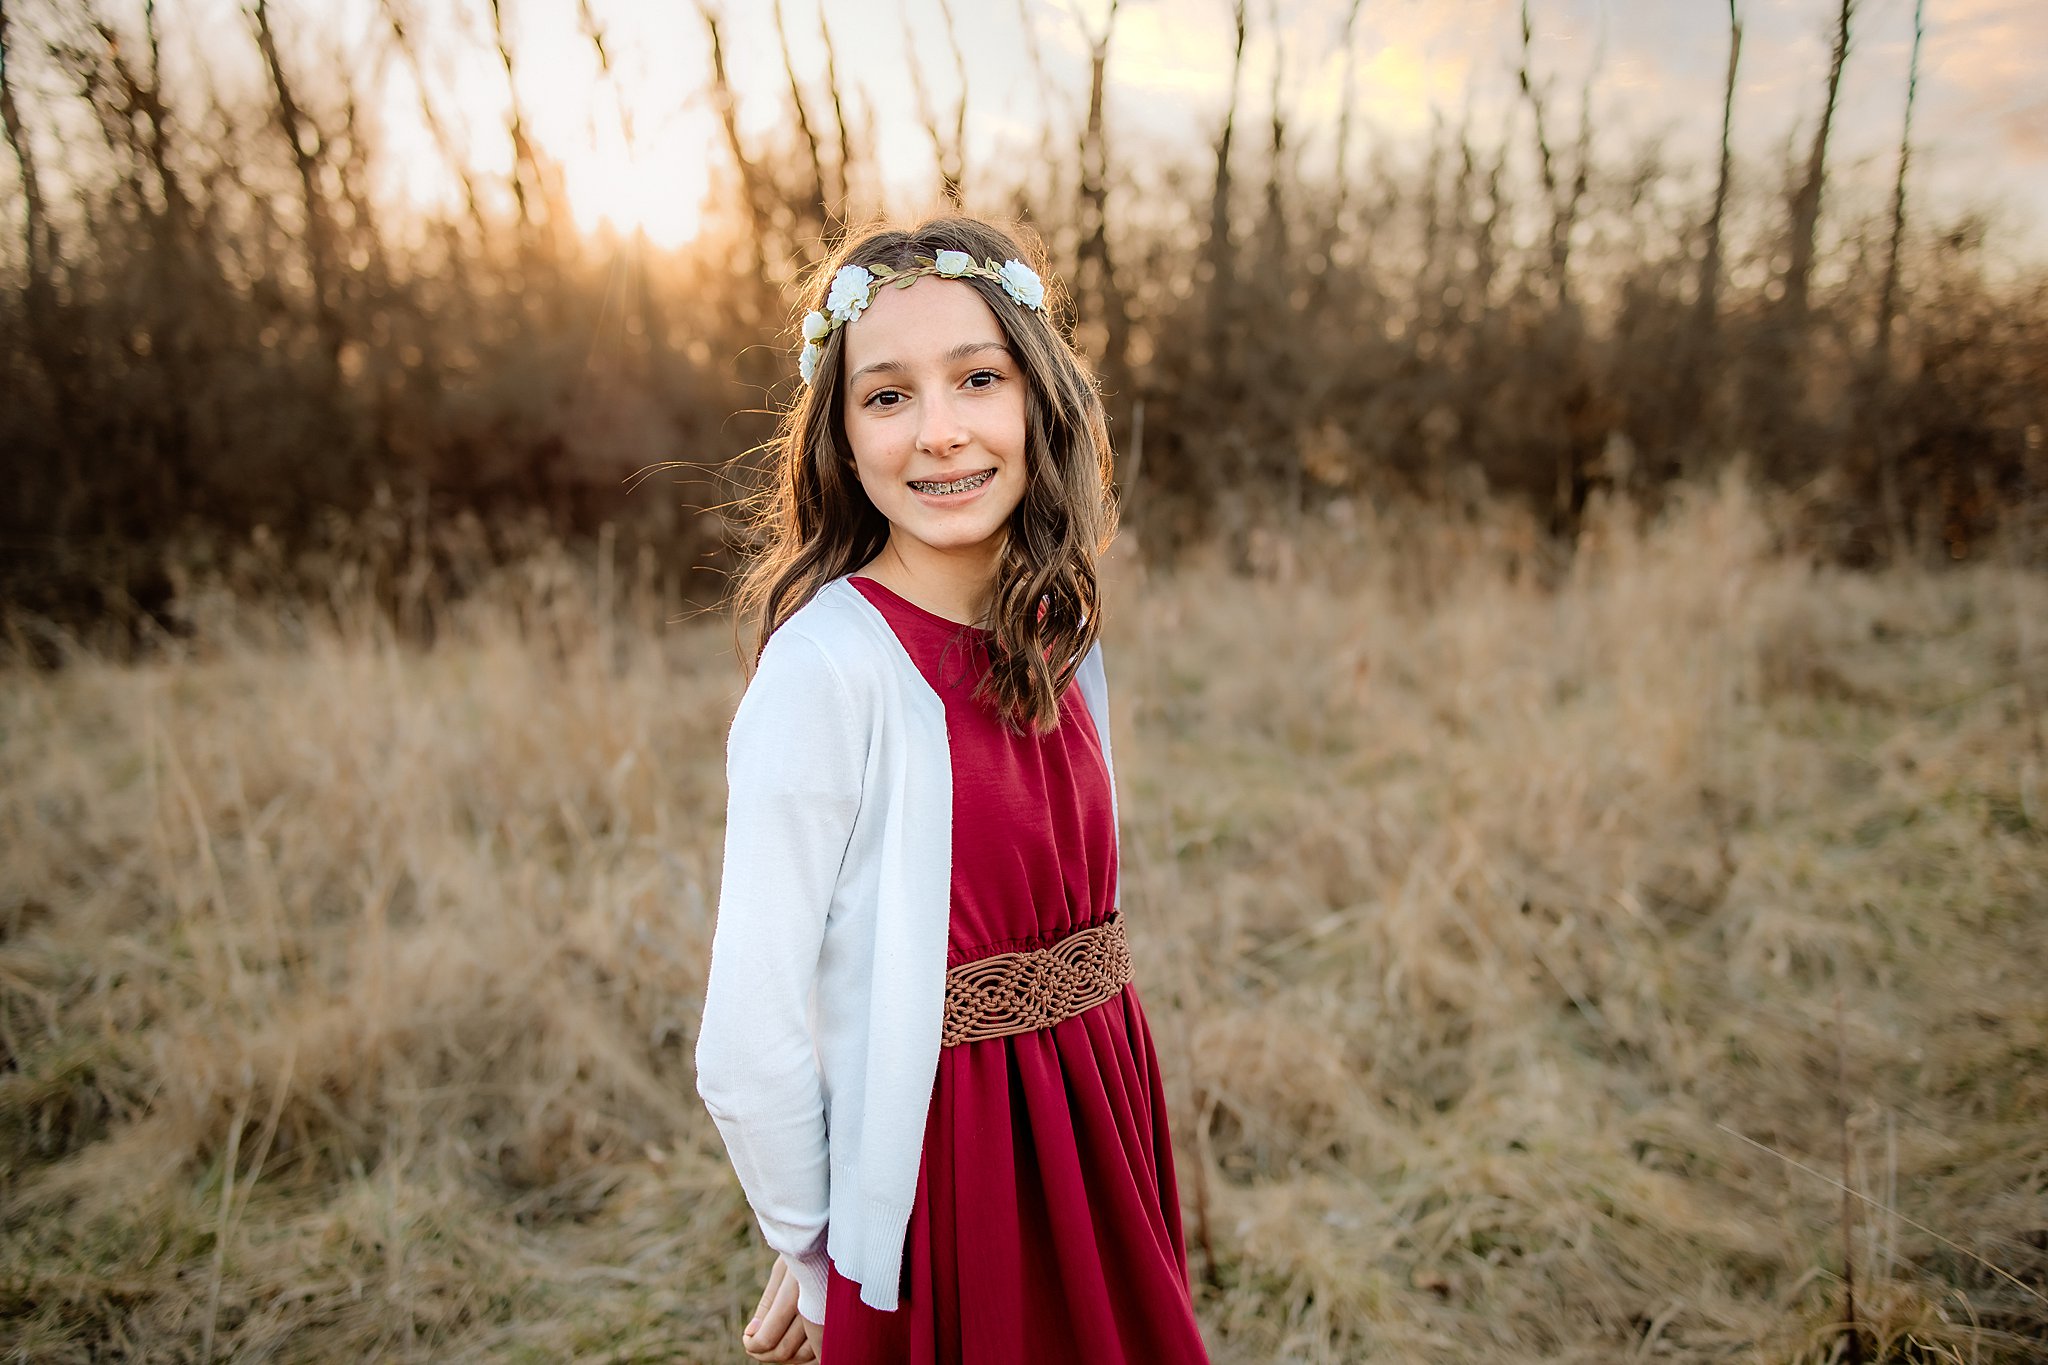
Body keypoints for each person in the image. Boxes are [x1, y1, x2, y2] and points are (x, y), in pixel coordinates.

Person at [694, 214, 1210, 1364]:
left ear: (1037, 397)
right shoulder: (828, 669)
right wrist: (818, 1249)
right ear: (837, 434)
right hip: (944, 1181)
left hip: (1097, 1119)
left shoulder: (1056, 632)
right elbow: (748, 1037)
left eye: (977, 378)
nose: (938, 433)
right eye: (885, 396)